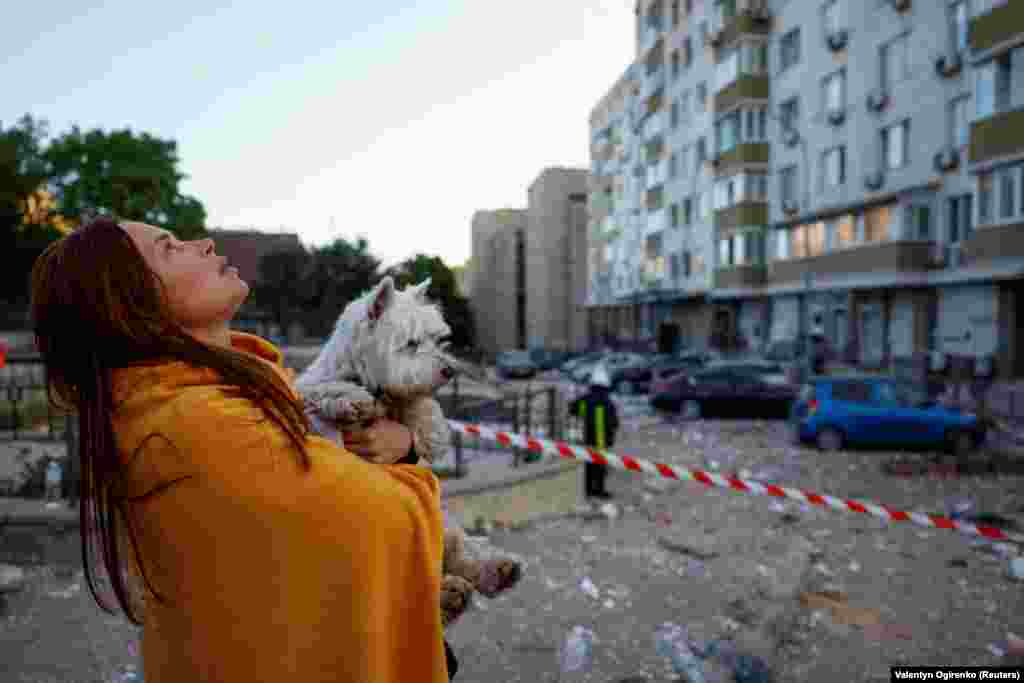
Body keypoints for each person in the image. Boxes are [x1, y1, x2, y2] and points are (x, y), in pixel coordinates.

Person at [30, 217, 453, 682]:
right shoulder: (195, 425)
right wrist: (406, 456)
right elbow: (385, 520)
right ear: (131, 305)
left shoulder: (190, 402)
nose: (204, 243)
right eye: (170, 249)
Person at [568, 363, 619, 500]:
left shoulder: (585, 399)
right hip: (602, 442)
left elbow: (573, 409)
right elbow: (614, 423)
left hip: (588, 440)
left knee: (589, 467)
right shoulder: (609, 402)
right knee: (600, 468)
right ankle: (599, 491)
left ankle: (589, 491)